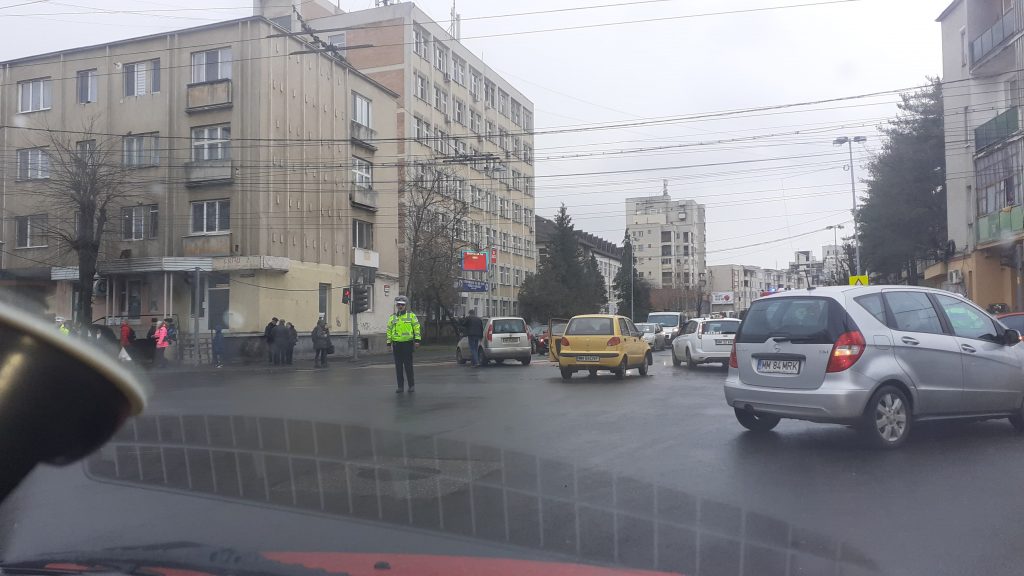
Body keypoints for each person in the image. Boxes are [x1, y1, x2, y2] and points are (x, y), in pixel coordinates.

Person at [386, 295, 421, 393]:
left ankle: (411, 385)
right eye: (398, 304)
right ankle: (400, 387)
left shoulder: (411, 316)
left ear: (405, 305)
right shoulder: (392, 317)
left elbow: (417, 328)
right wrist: (388, 343)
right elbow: (389, 330)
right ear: (396, 306)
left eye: (402, 305)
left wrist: (417, 340)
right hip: (397, 344)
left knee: (408, 366)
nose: (400, 306)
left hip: (407, 344)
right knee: (398, 367)